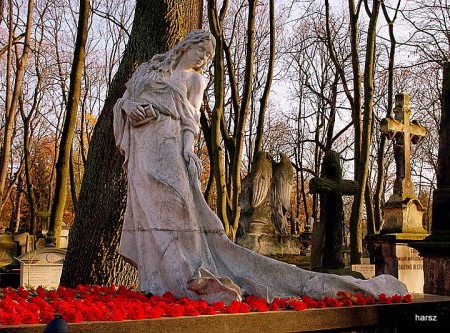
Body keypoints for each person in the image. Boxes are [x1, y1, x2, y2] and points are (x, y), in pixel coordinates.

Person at [113, 30, 408, 304]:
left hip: (170, 147)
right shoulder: (149, 70)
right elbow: (124, 101)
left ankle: (189, 274)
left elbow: (190, 121)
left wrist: (188, 151)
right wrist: (128, 108)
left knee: (178, 205)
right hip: (143, 148)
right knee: (153, 214)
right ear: (187, 46)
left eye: (208, 56)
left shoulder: (195, 82)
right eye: (201, 49)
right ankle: (159, 282)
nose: (203, 57)